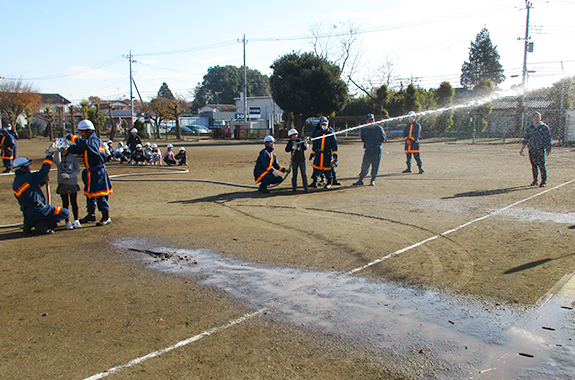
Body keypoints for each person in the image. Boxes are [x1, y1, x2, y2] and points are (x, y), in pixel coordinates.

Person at [66, 119, 113, 226]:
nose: (81, 134)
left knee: (100, 194)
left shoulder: (95, 141)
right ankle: (91, 214)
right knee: (90, 195)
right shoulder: (86, 142)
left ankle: (106, 216)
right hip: (89, 173)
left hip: (98, 172)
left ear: (89, 131)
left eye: (82, 132)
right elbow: (78, 148)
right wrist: (66, 148)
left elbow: (87, 145)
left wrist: (72, 137)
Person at [12, 155, 70, 234]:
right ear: (22, 168)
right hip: (39, 209)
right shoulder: (27, 177)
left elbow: (30, 190)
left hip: (27, 213)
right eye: (27, 166)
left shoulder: (16, 182)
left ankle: (30, 223)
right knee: (65, 212)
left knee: (36, 216)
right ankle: (44, 225)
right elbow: (43, 172)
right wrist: (49, 157)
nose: (29, 168)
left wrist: (42, 182)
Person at [520, 111, 552, 187]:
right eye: (535, 117)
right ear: (532, 118)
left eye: (538, 117)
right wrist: (522, 148)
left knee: (541, 165)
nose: (536, 118)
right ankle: (535, 180)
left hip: (540, 148)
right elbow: (526, 138)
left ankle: (544, 181)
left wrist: (548, 149)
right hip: (532, 148)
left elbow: (548, 139)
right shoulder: (530, 128)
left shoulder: (544, 127)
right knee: (534, 165)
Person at [353, 114, 387, 186]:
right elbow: (363, 139)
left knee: (375, 165)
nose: (371, 121)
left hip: (377, 150)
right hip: (368, 150)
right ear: (366, 121)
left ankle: (372, 180)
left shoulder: (379, 128)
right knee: (364, 165)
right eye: (369, 120)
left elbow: (383, 138)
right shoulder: (364, 130)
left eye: (372, 120)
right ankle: (361, 179)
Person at [53, 148, 82, 230]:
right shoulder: (58, 157)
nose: (63, 151)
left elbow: (77, 170)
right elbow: (56, 161)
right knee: (65, 203)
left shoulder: (73, 158)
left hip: (72, 182)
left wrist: (70, 176)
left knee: (74, 202)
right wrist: (56, 151)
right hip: (62, 183)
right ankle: (67, 221)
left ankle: (76, 220)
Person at [310, 117, 338, 189]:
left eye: (325, 124)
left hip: (327, 155)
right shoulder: (318, 133)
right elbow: (315, 145)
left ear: (328, 124)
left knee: (327, 170)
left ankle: (329, 182)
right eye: (322, 124)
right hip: (319, 154)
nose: (324, 126)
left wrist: (335, 155)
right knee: (316, 168)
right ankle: (314, 182)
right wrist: (312, 154)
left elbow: (334, 145)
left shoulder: (331, 134)